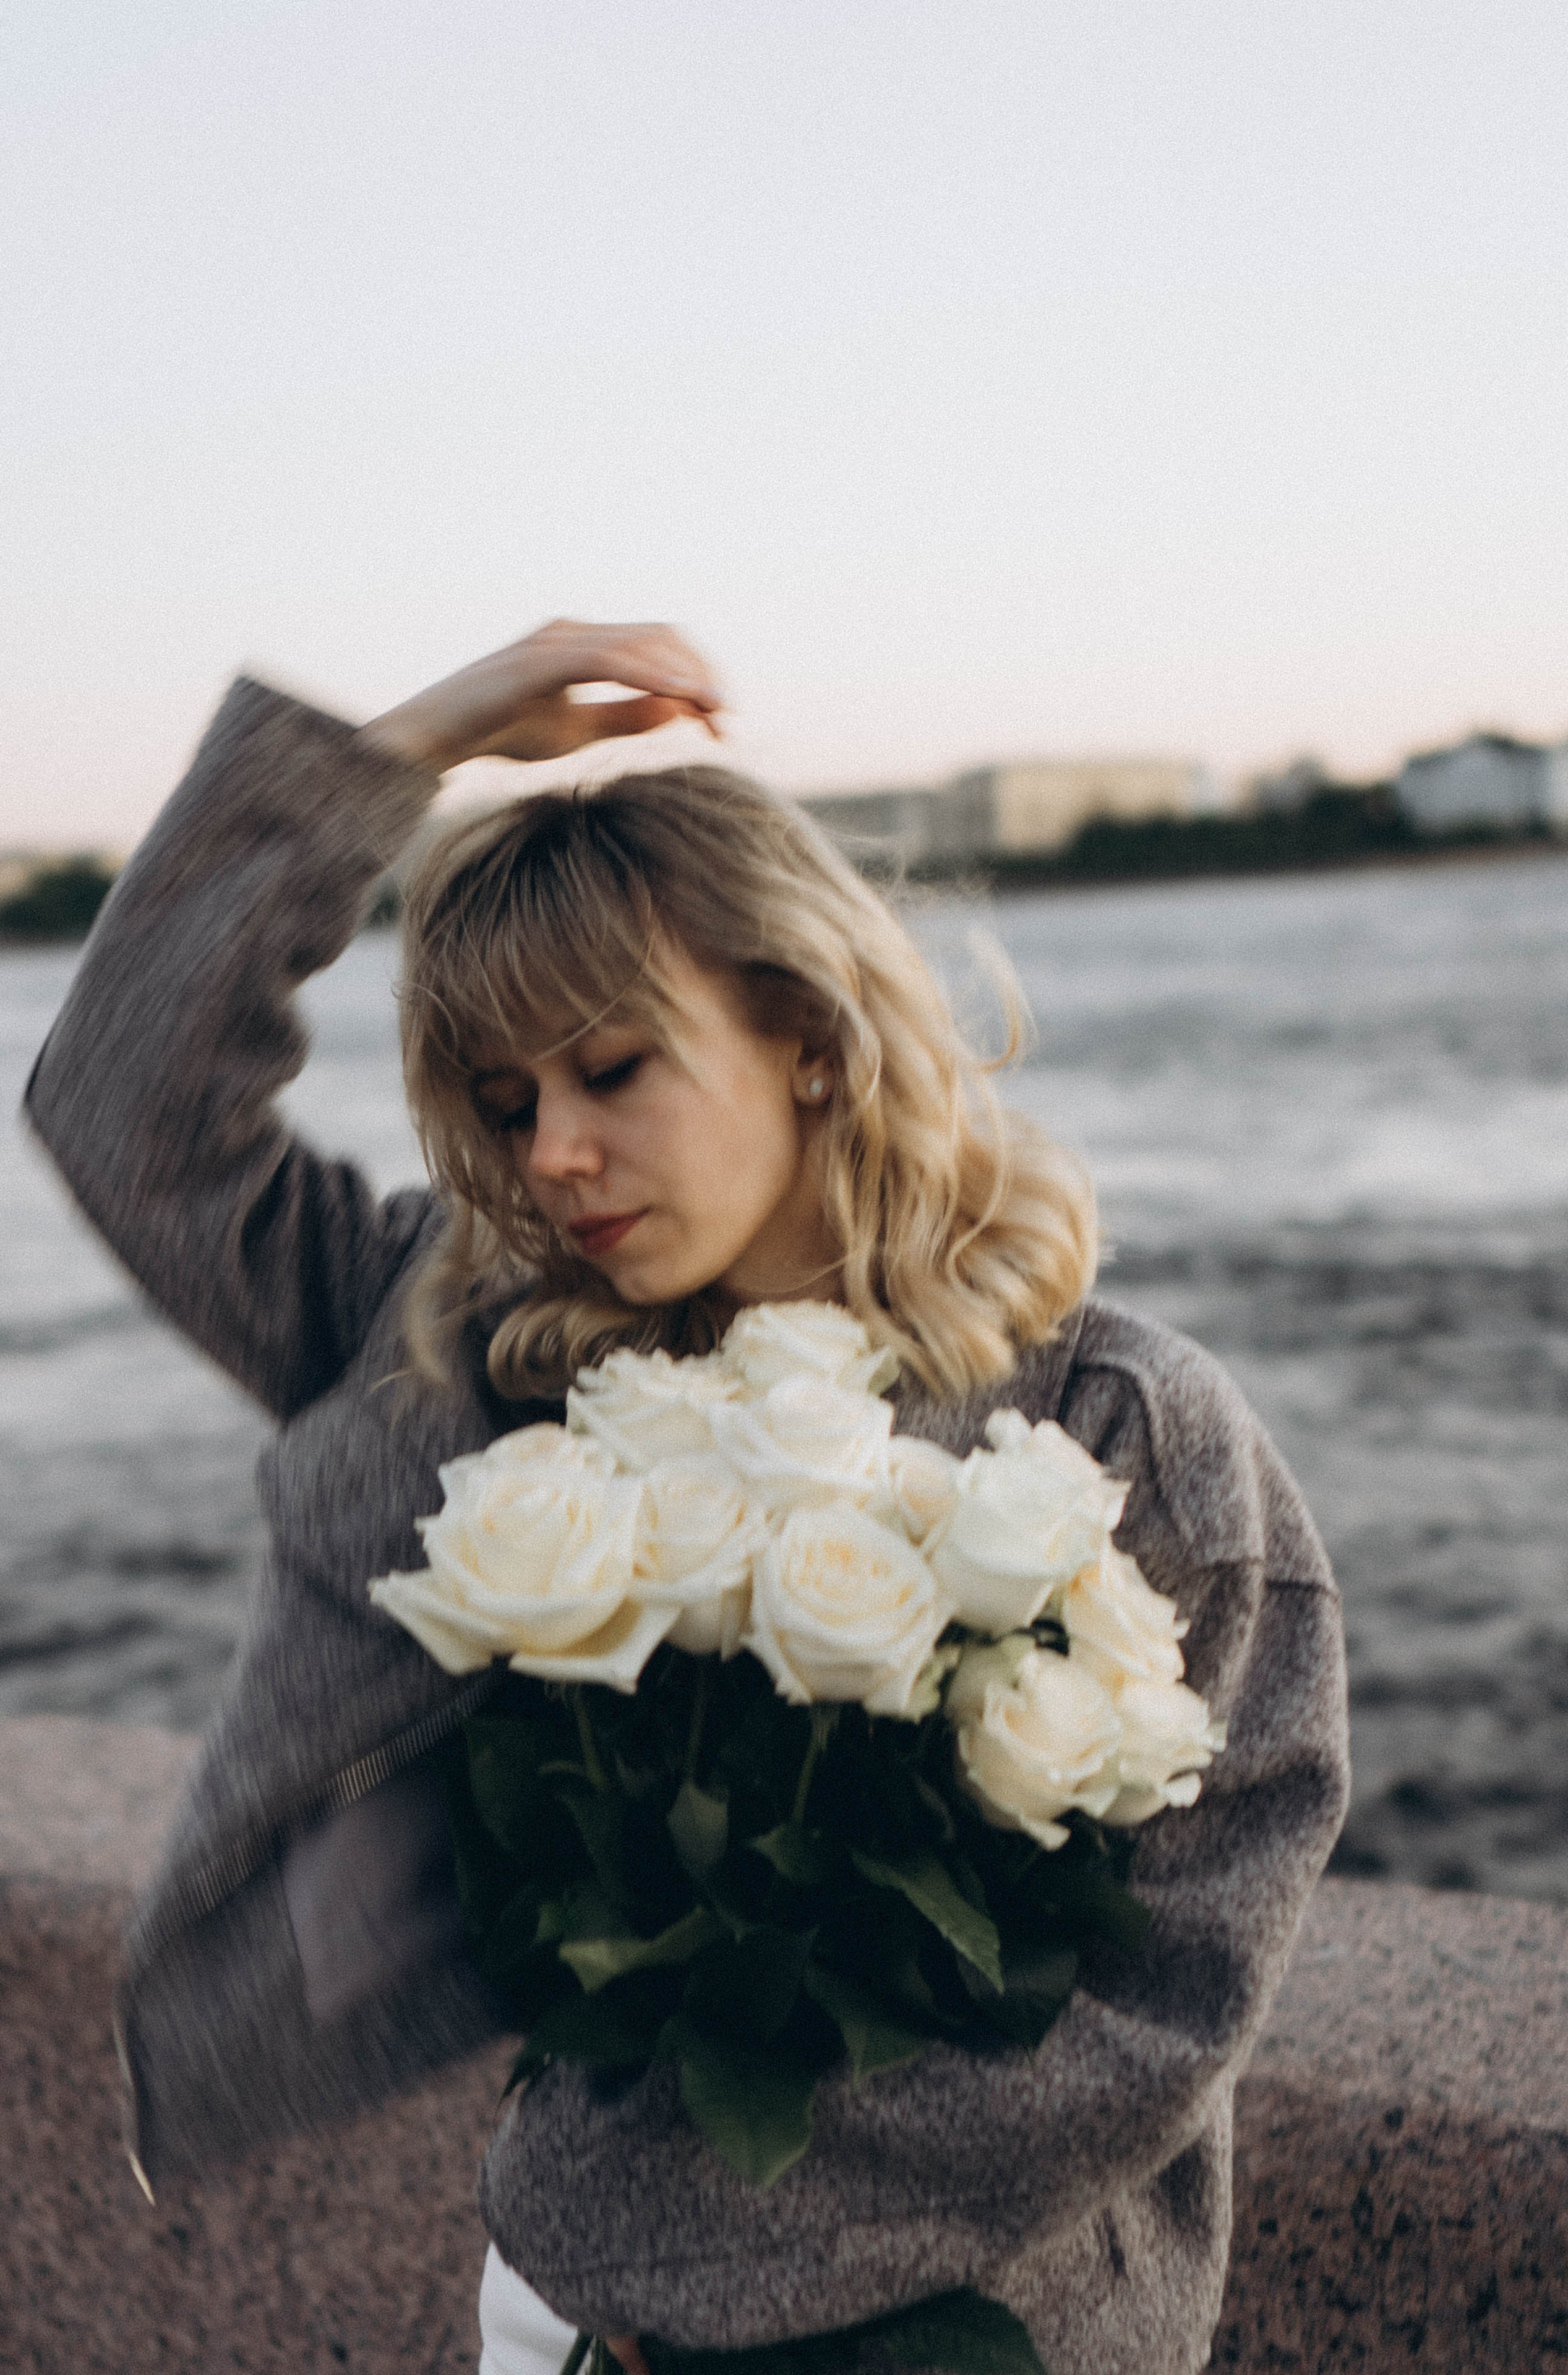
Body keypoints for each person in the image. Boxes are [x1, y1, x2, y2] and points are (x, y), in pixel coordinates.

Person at [25, 620, 1349, 2375]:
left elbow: (1183, 1966)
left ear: (807, 1033)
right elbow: (123, 1109)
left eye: (611, 1069)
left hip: (978, 2328)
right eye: (506, 1103)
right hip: (568, 2316)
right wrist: (410, 751)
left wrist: (727, 2284)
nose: (550, 1154)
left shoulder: (1119, 1427)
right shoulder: (470, 1355)